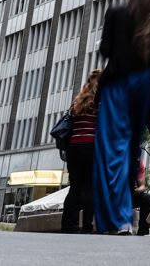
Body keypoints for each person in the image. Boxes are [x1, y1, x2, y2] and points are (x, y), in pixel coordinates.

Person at [93, 0, 150, 234]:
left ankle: (117, 217)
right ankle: (121, 217)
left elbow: (106, 49)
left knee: (110, 153)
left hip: (119, 87)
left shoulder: (117, 13)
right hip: (145, 87)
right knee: (130, 152)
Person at [62, 69, 101, 234]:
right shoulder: (98, 101)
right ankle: (87, 225)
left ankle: (68, 225)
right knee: (89, 188)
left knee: (75, 187)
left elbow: (69, 118)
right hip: (90, 147)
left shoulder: (77, 101)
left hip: (73, 148)